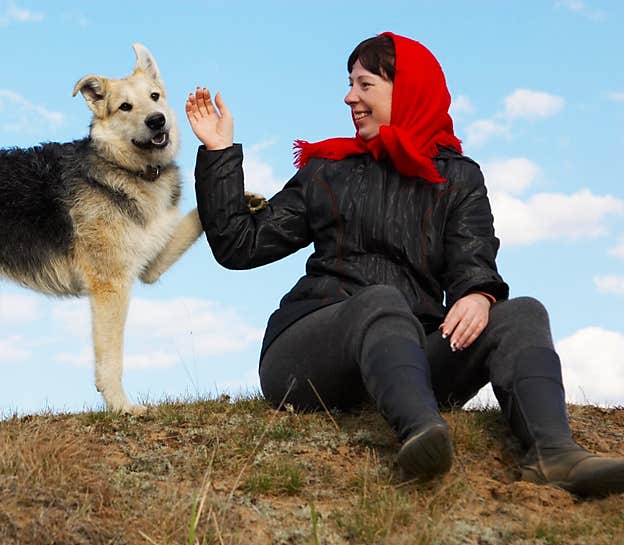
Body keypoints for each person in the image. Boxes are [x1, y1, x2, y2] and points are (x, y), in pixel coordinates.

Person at [185, 32, 624, 498]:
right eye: (350, 84)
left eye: (365, 84)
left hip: (408, 355)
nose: (349, 96)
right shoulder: (327, 171)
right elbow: (240, 245)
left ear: (407, 90)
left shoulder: (457, 177)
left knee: (523, 312)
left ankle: (554, 454)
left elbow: (473, 259)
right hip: (310, 352)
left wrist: (477, 293)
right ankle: (422, 433)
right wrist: (218, 153)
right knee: (381, 301)